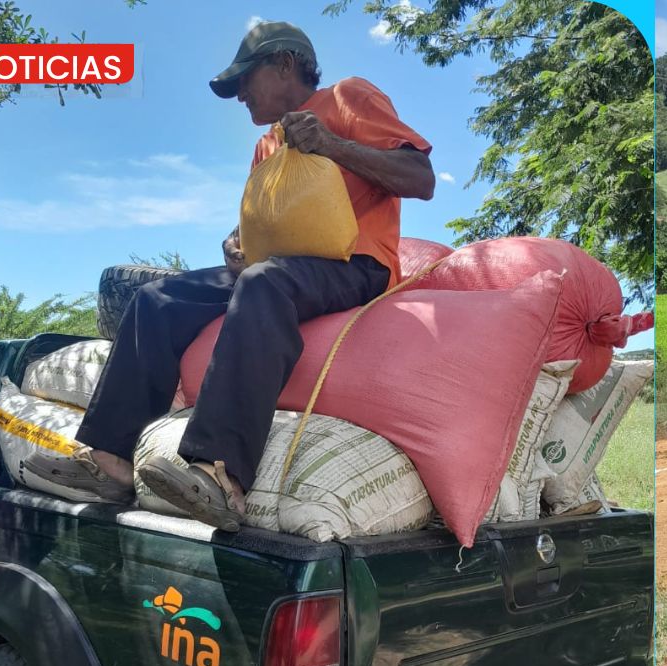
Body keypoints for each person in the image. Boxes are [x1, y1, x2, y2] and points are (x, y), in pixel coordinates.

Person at [26, 21, 434, 530]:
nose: (239, 93)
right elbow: (269, 218)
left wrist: (332, 145)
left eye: (246, 77)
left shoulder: (348, 97)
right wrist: (235, 244)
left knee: (264, 281)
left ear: (285, 63)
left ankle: (221, 476)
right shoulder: (267, 146)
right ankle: (110, 461)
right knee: (158, 299)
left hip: (355, 264)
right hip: (282, 265)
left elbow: (421, 179)